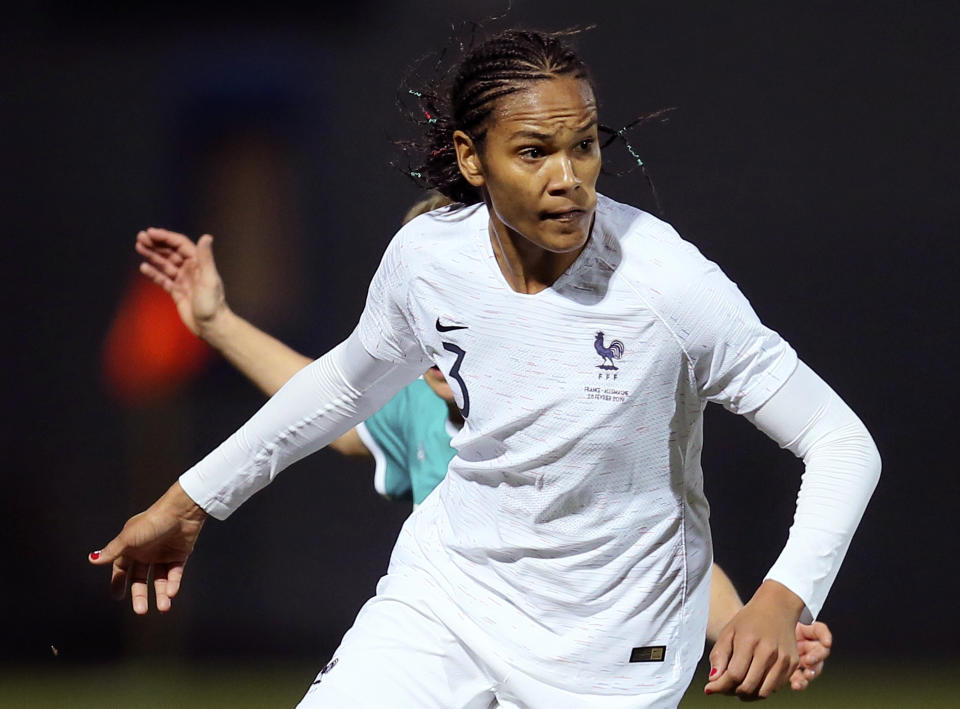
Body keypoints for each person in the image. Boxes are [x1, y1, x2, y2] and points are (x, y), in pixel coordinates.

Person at [91, 29, 878, 708]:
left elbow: (841, 441)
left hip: (614, 641)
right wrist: (191, 501)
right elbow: (342, 388)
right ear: (471, 157)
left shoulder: (669, 284)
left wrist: (785, 594)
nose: (568, 176)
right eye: (534, 151)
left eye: (585, 144)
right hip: (449, 599)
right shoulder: (429, 260)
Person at [134, 195, 832, 692]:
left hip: (578, 658)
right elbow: (330, 405)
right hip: (457, 647)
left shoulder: (591, 410)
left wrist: (753, 620)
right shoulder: (417, 407)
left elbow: (664, 549)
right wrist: (218, 323)